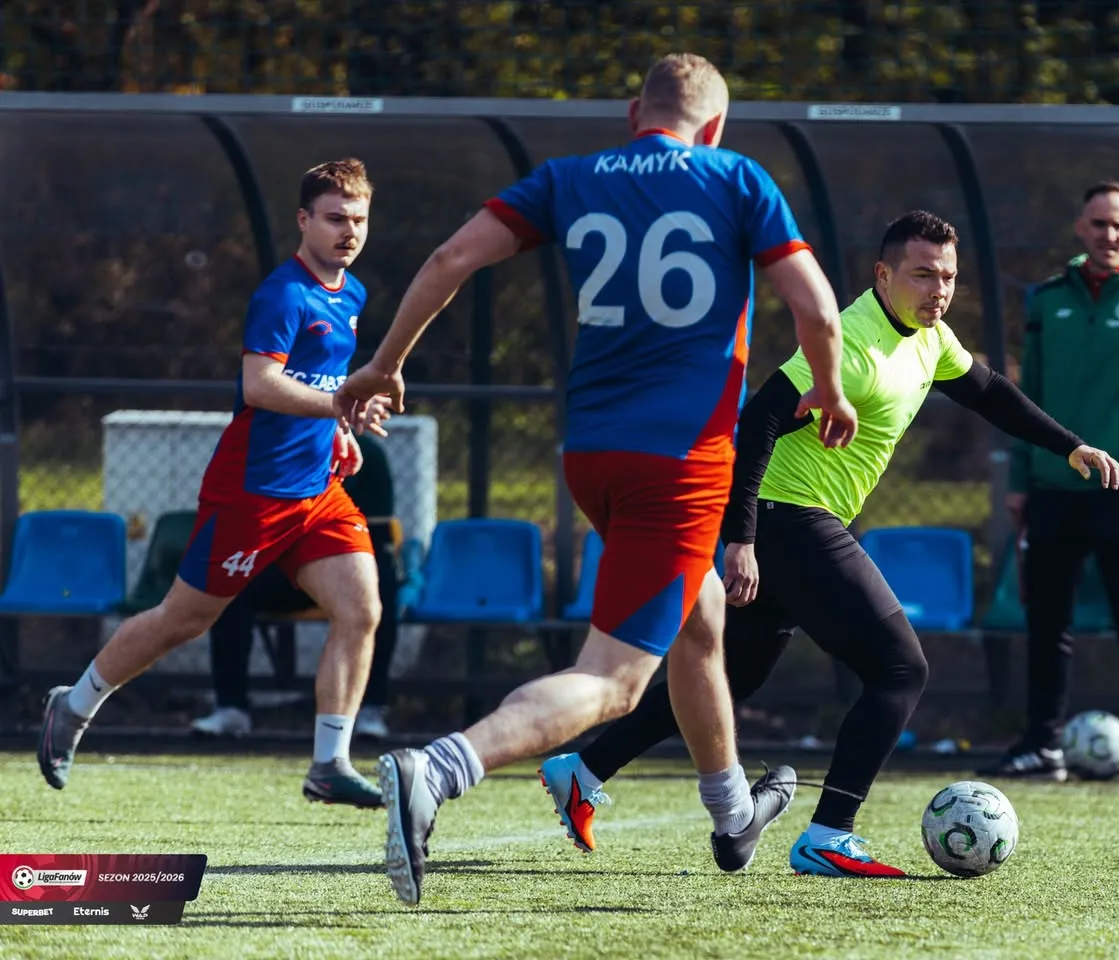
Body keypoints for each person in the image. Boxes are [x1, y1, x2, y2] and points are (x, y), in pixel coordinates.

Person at [334, 53, 858, 905]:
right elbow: (818, 310)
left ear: (632, 114)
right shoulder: (738, 178)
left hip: (593, 455)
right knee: (615, 680)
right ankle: (440, 769)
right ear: (715, 127)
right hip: (680, 464)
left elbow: (450, 257)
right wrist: (830, 391)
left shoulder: (568, 178)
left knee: (701, 616)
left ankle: (733, 812)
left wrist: (385, 363)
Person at [539, 210, 1119, 877]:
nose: (939, 289)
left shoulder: (930, 338)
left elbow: (989, 393)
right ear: (883, 275)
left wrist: (1070, 446)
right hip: (789, 518)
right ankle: (829, 834)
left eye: (948, 277)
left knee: (734, 676)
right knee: (900, 669)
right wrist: (741, 539)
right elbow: (758, 421)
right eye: (923, 274)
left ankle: (585, 770)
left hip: (798, 522)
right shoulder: (850, 342)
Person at [37, 159, 395, 808]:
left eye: (359, 220)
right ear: (304, 220)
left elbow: (320, 384)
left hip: (317, 492)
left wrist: (339, 431)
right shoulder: (284, 295)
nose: (349, 232)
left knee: (361, 608)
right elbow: (261, 385)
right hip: (254, 491)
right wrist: (340, 405)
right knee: (183, 620)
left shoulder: (354, 294)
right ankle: (75, 704)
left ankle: (329, 763)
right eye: (335, 218)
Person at [987, 179, 1119, 785]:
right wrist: (1021, 477)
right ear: (1080, 229)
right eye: (1097, 224)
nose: (1108, 234)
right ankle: (1042, 746)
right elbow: (1027, 401)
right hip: (1052, 485)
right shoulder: (1048, 300)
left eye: (1118, 225)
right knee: (1047, 621)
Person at [190, 431, 401, 741]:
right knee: (233, 588)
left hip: (345, 569)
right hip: (287, 568)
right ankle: (231, 707)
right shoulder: (275, 447)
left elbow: (378, 536)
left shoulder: (369, 454)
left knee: (380, 595)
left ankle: (370, 708)